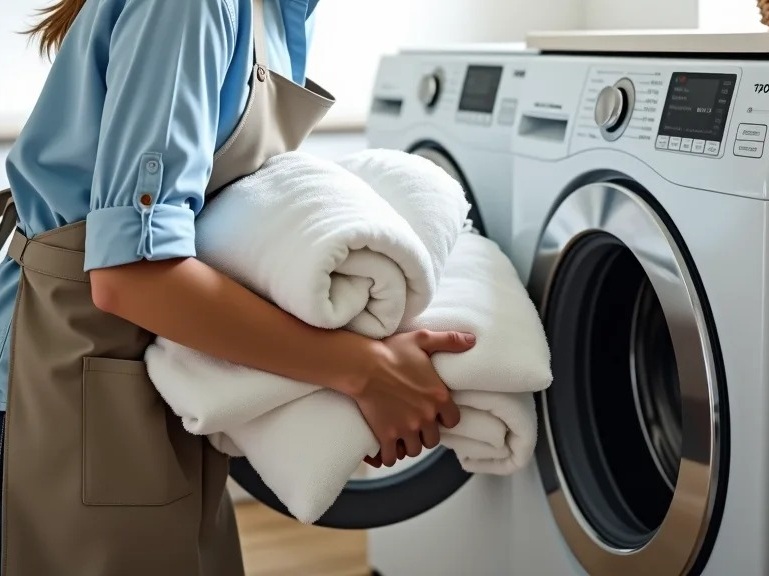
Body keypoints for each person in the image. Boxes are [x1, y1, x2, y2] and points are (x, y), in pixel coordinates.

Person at [0, 0, 475, 573]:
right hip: (65, 363)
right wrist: (365, 368)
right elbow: (132, 276)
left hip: (166, 357)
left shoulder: (282, 12)